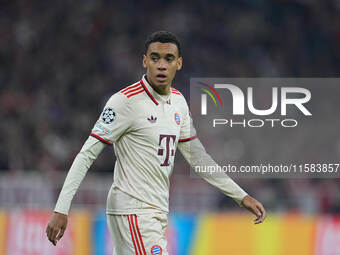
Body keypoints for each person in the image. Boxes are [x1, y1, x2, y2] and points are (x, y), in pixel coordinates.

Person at [46, 31, 266, 255]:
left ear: (178, 64)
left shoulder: (178, 102)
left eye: (168, 59)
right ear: (144, 61)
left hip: (155, 212)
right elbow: (86, 154)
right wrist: (61, 208)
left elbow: (199, 159)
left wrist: (241, 196)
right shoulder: (125, 102)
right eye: (155, 58)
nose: (161, 65)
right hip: (134, 209)